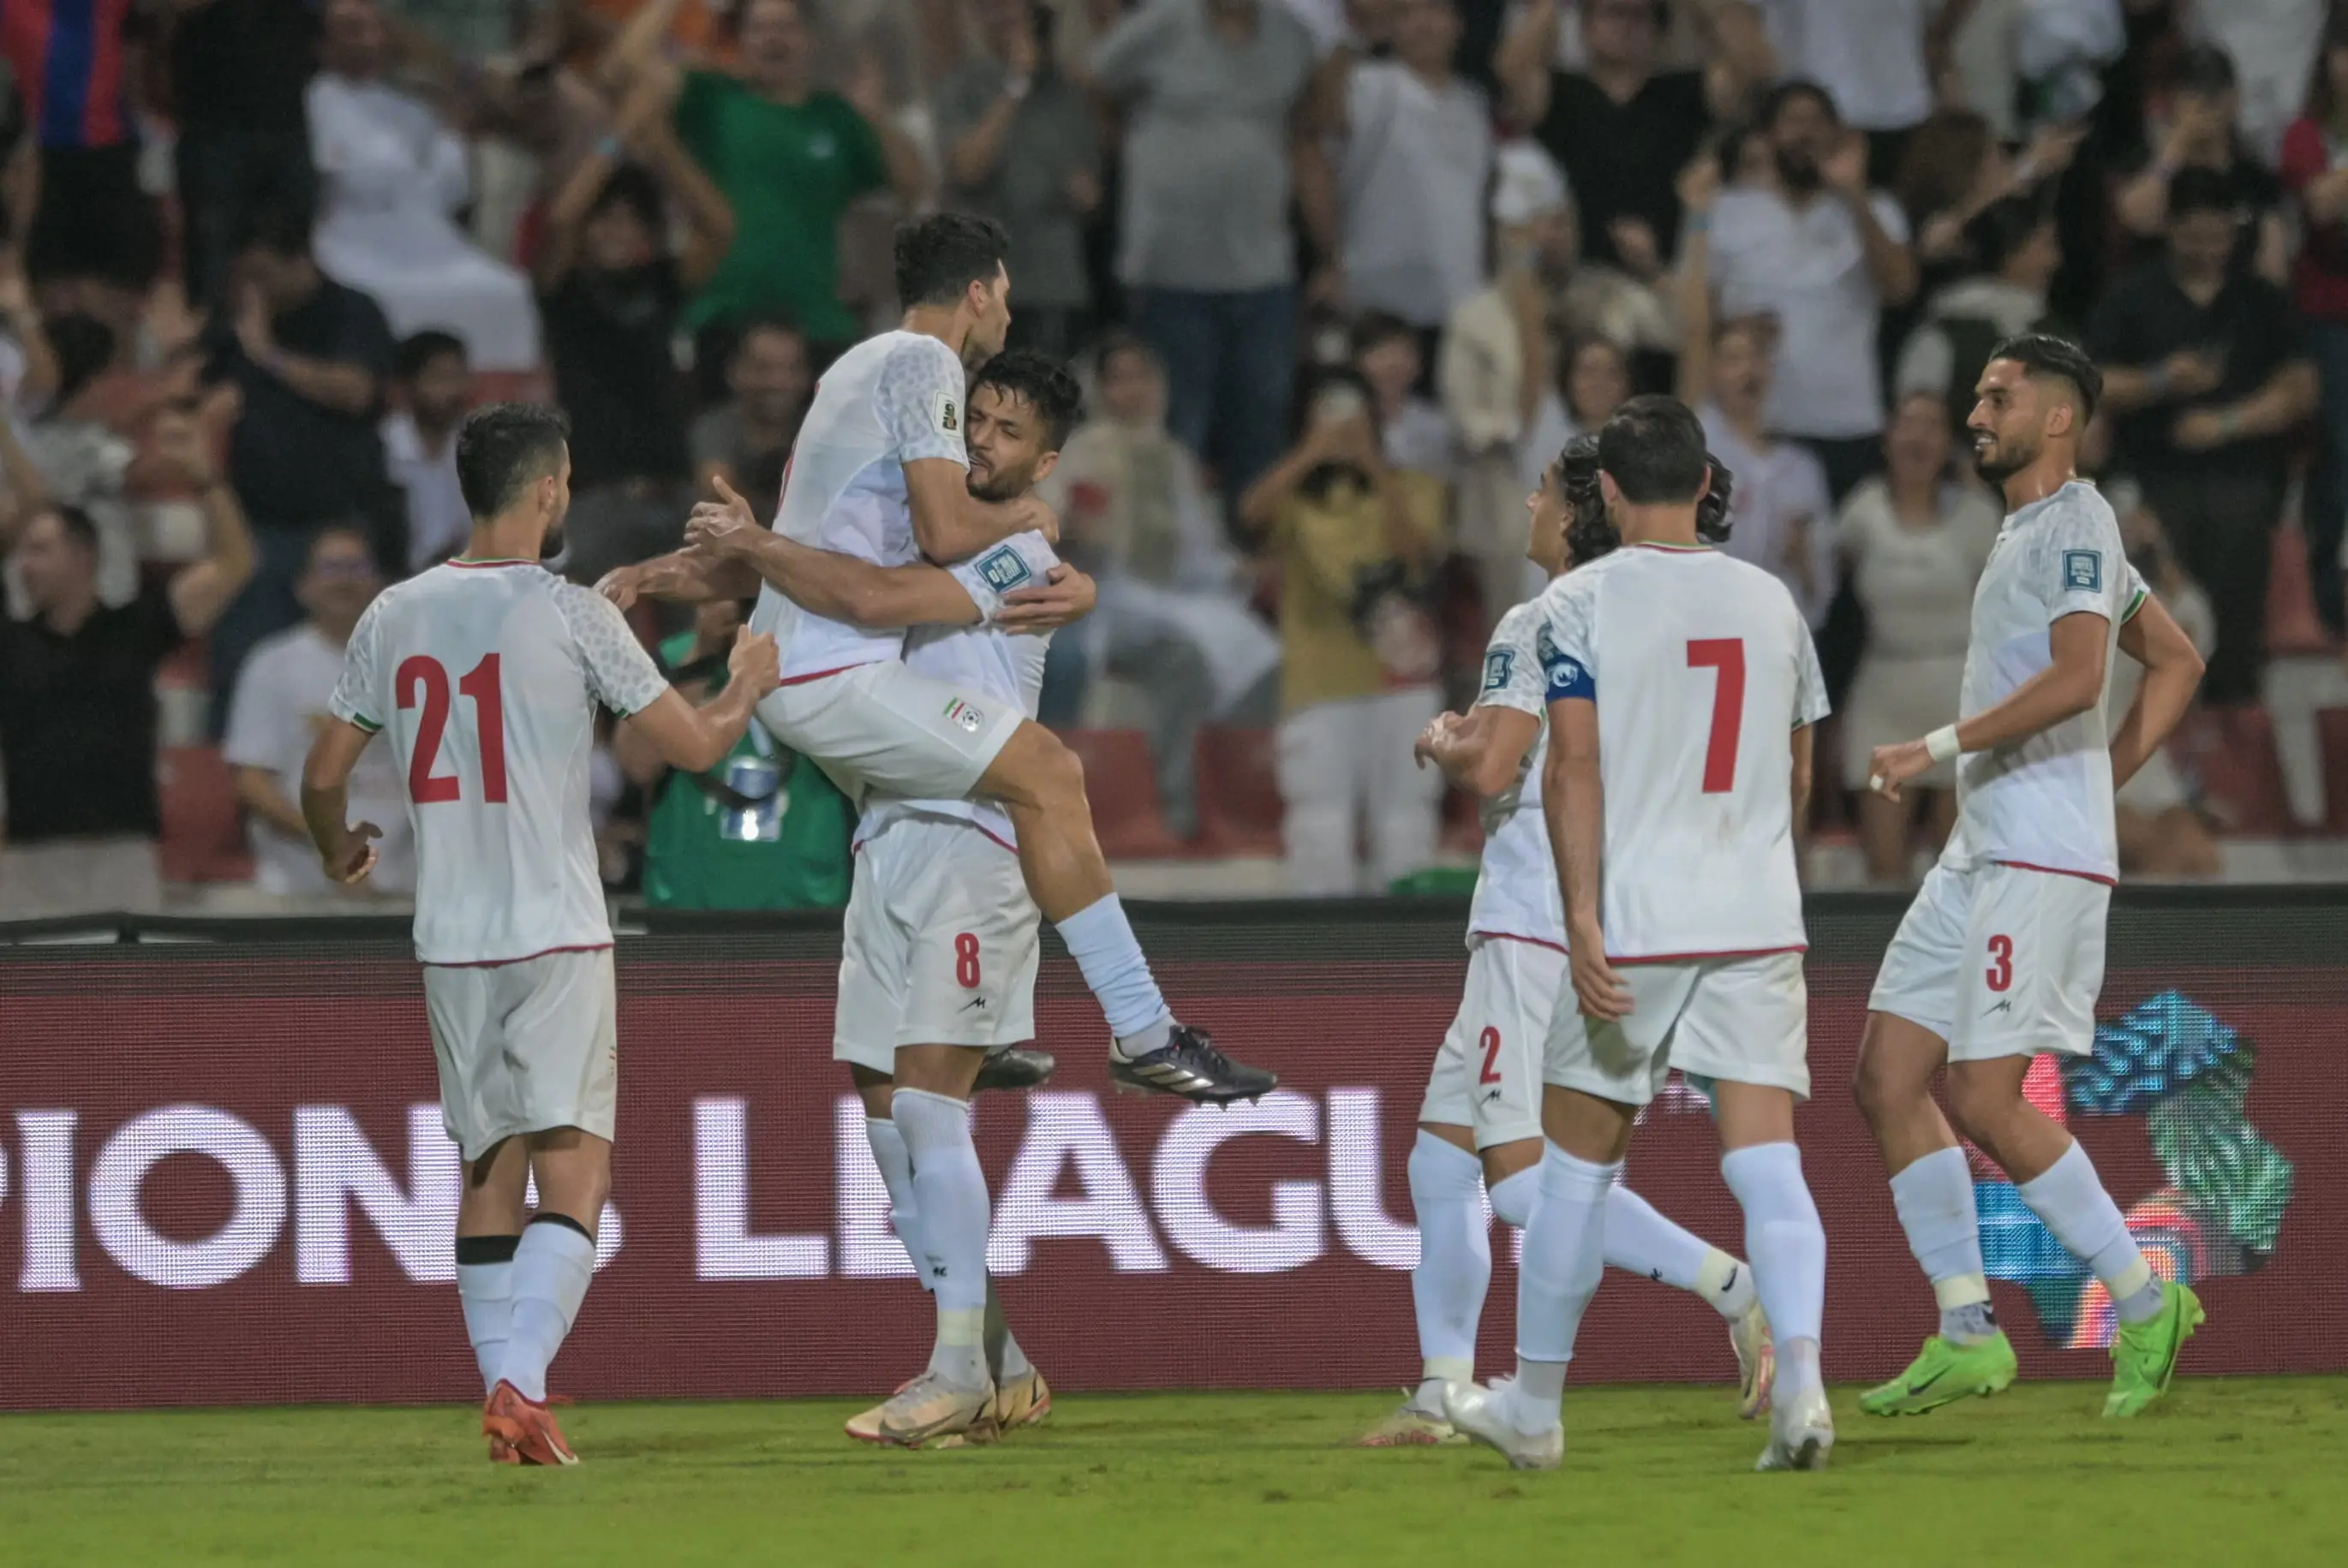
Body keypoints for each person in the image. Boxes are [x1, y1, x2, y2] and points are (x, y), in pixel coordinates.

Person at [601, 212, 1278, 1105]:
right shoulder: (925, 368)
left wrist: (661, 572)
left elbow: (825, 542)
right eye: (1001, 292)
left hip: (843, 697)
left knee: (900, 1082)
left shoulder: (856, 367)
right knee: (1045, 768)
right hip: (833, 673)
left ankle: (985, 1039)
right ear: (977, 291)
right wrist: (1033, 519)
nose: (1005, 310)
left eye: (1005, 429)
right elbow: (931, 542)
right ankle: (1144, 1031)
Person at [298, 402, 786, 1466]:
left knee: (488, 1167)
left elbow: (324, 774)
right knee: (576, 1176)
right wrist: (744, 680)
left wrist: (340, 849)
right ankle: (520, 1381)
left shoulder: (395, 610)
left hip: (450, 936)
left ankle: (506, 1401)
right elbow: (699, 748)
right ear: (549, 488)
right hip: (556, 933)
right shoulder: (571, 614)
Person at [694, 352, 1083, 1448]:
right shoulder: (932, 521)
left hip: (975, 836)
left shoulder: (1018, 546)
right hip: (887, 836)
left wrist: (755, 549)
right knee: (882, 1117)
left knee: (925, 1107)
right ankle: (1002, 1363)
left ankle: (952, 1369)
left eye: (1007, 433)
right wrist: (673, 570)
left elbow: (861, 596)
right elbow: (819, 578)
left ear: (1042, 461)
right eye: (977, 423)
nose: (981, 445)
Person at [1443, 396, 1835, 1474]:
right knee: (1767, 1166)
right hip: (1756, 917)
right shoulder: (1773, 602)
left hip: (1641, 920)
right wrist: (1757, 869)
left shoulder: (1580, 602)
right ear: (1707, 483)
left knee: (1570, 1174)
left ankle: (1532, 1409)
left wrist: (1578, 915)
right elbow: (1799, 771)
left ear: (1605, 493)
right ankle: (1800, 1387)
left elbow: (1571, 767)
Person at [1357, 437, 1772, 1448]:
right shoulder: (1650, 615)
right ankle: (1440, 1391)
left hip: (1532, 921)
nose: (1526, 501)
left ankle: (1733, 1285)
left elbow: (1495, 764)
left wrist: (1441, 735)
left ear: (1580, 511)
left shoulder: (1539, 616)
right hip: (1608, 910)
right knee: (1439, 1162)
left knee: (1514, 1179)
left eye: (1541, 489)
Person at [1855, 335, 2209, 1423]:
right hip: (1984, 844)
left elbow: (2076, 676)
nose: (1976, 409)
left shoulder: (2078, 522)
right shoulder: (2035, 530)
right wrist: (2100, 779)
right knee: (1883, 1074)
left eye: (1996, 395)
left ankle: (2145, 1302)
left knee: (1982, 1095)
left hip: (2035, 851)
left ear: (2056, 417)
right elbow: (2178, 659)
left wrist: (1938, 747)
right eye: (1976, 392)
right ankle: (1965, 1330)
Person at [0, 412, 255, 918]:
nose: (25, 565)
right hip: (29, 858)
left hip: (124, 855)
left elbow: (234, 563)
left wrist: (204, 477)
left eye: (40, 551)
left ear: (85, 555)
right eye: (22, 553)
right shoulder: (9, 642)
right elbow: (28, 500)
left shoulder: (137, 627)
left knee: (127, 997)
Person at [2086, 167, 2315, 706]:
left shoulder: (2259, 299)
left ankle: (2234, 739)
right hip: (2156, 488)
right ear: (2170, 229)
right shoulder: (2133, 297)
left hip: (2243, 487)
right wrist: (2163, 380)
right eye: (2195, 237)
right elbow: (2092, 382)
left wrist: (2228, 422)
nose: (2209, 249)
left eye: (2219, 237)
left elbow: (2301, 388)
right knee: (2158, 632)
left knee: (2234, 633)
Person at [1038, 332, 1282, 838]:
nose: (1133, 391)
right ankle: (1176, 808)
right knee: (1183, 659)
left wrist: (1241, 571)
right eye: (1119, 379)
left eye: (1141, 377)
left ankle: (1240, 802)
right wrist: (1074, 530)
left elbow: (1197, 556)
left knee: (1265, 655)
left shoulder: (1174, 459)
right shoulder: (1076, 453)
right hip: (1101, 598)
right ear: (1100, 388)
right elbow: (1043, 540)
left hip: (1173, 598)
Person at [1094, 0, 1317, 518]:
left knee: (1262, 427)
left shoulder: (1293, 39)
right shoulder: (1158, 26)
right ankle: (1169, 562)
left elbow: (1306, 128)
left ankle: (1248, 570)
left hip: (1265, 272)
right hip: (1172, 273)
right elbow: (1097, 85)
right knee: (1176, 430)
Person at [614, 0, 926, 355]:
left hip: (818, 325)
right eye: (760, 29)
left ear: (810, 39)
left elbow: (911, 186)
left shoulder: (834, 117)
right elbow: (629, 60)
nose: (773, 40)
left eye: (786, 28)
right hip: (726, 317)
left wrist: (876, 118)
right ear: (742, 40)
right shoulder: (712, 99)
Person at [1240, 368, 1447, 896]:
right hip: (1319, 681)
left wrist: (1371, 463)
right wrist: (1313, 453)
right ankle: (1322, 954)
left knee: (1407, 819)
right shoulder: (1295, 499)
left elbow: (1416, 554)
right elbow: (1249, 518)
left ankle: (1409, 953)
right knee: (1319, 823)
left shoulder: (1414, 485)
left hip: (1403, 677)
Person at [200, 203, 399, 731]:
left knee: (350, 670)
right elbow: (199, 391)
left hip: (338, 527)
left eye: (264, 274)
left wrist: (269, 356)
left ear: (300, 260)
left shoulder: (351, 312)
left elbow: (355, 391)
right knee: (242, 669)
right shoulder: (237, 325)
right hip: (256, 532)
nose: (255, 288)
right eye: (247, 276)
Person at [537, 75, 737, 587]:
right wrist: (619, 134)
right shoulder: (563, 290)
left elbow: (719, 227)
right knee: (596, 648)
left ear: (648, 232)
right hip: (597, 499)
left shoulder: (662, 283)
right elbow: (560, 220)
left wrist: (660, 141)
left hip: (674, 497)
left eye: (630, 221)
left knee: (688, 651)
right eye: (604, 220)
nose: (616, 231)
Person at [1705, 80, 1918, 503]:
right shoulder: (1729, 212)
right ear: (1768, 137)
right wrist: (1734, 329)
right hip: (1757, 424)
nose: (1805, 134)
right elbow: (1698, 317)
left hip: (1849, 424)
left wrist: (1853, 193)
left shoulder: (1878, 209)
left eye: (1817, 123)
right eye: (1793, 122)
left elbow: (1900, 288)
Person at [305, 0, 540, 369]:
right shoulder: (311, 106)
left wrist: (451, 129)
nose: (369, 41)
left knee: (506, 290)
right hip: (350, 240)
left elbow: (449, 191)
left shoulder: (409, 107)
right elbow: (347, 184)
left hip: (426, 239)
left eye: (375, 29)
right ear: (323, 44)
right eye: (353, 30)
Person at [1835, 391, 2000, 885]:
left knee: (1958, 873)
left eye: (1932, 425)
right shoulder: (1860, 512)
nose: (1919, 436)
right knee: (1884, 869)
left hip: (1959, 692)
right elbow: (1828, 592)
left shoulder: (1978, 515)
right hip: (1883, 687)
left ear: (1947, 442)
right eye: (1908, 424)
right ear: (1888, 439)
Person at [1676, 154, 1837, 629]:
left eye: (1756, 358)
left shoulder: (1801, 470)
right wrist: (1699, 220)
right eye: (1731, 359)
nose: (1748, 370)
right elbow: (1693, 327)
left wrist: (1803, 559)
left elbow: (1819, 598)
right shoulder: (1697, 436)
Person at [619, 595, 855, 910]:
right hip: (689, 907)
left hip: (804, 903)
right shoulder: (673, 659)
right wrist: (701, 657)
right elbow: (638, 763)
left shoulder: (826, 658)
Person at [1496, 0, 1762, 274]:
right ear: (1586, 28)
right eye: (1613, 12)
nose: (1625, 24)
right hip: (1573, 281)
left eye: (1639, 15)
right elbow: (1511, 70)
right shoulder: (1559, 92)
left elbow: (1753, 69)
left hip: (1666, 277)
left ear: (1660, 33)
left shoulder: (1687, 92)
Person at [224, 526, 413, 901]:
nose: (344, 580)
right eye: (331, 568)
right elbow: (251, 780)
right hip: (303, 891)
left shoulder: (418, 665)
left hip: (408, 891)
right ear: (303, 586)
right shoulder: (272, 665)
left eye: (357, 567)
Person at [1307, 0, 1493, 333]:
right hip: (1378, 304)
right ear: (1390, 27)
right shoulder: (1368, 86)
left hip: (1459, 301)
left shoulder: (1474, 104)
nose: (1424, 24)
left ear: (1458, 25)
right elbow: (1317, 126)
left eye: (1436, 11)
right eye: (1408, 13)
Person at [935, 0, 1102, 359]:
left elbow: (1092, 186)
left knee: (1044, 405)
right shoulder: (963, 87)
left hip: (1055, 283)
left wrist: (1085, 193)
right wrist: (1015, 85)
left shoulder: (1067, 94)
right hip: (984, 287)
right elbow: (968, 168)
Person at [1895, 194, 2069, 447]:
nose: (2055, 261)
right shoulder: (1944, 336)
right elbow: (1917, 429)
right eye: (2044, 245)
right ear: (2012, 252)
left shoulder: (2053, 330)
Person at [2279, 16, 2348, 632]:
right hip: (2330, 318)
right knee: (2339, 452)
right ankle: (2330, 599)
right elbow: (2322, 204)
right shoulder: (2305, 135)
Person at [690, 316, 812, 508]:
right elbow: (719, 496)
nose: (778, 382)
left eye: (791, 369)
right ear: (735, 371)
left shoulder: (820, 430)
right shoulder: (715, 429)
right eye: (762, 368)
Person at [382, 331, 474, 575]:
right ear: (408, 385)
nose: (451, 391)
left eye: (458, 377)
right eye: (438, 378)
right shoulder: (382, 448)